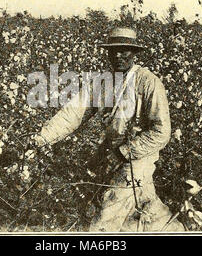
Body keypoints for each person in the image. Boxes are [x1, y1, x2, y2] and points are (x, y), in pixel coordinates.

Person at [30, 27, 184, 232]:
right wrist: (40, 139)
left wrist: (124, 152)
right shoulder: (102, 82)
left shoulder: (148, 82)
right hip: (112, 154)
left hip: (138, 158)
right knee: (145, 213)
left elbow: (161, 132)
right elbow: (73, 114)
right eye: (114, 50)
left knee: (108, 215)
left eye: (124, 50)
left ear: (134, 53)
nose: (119, 55)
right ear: (108, 53)